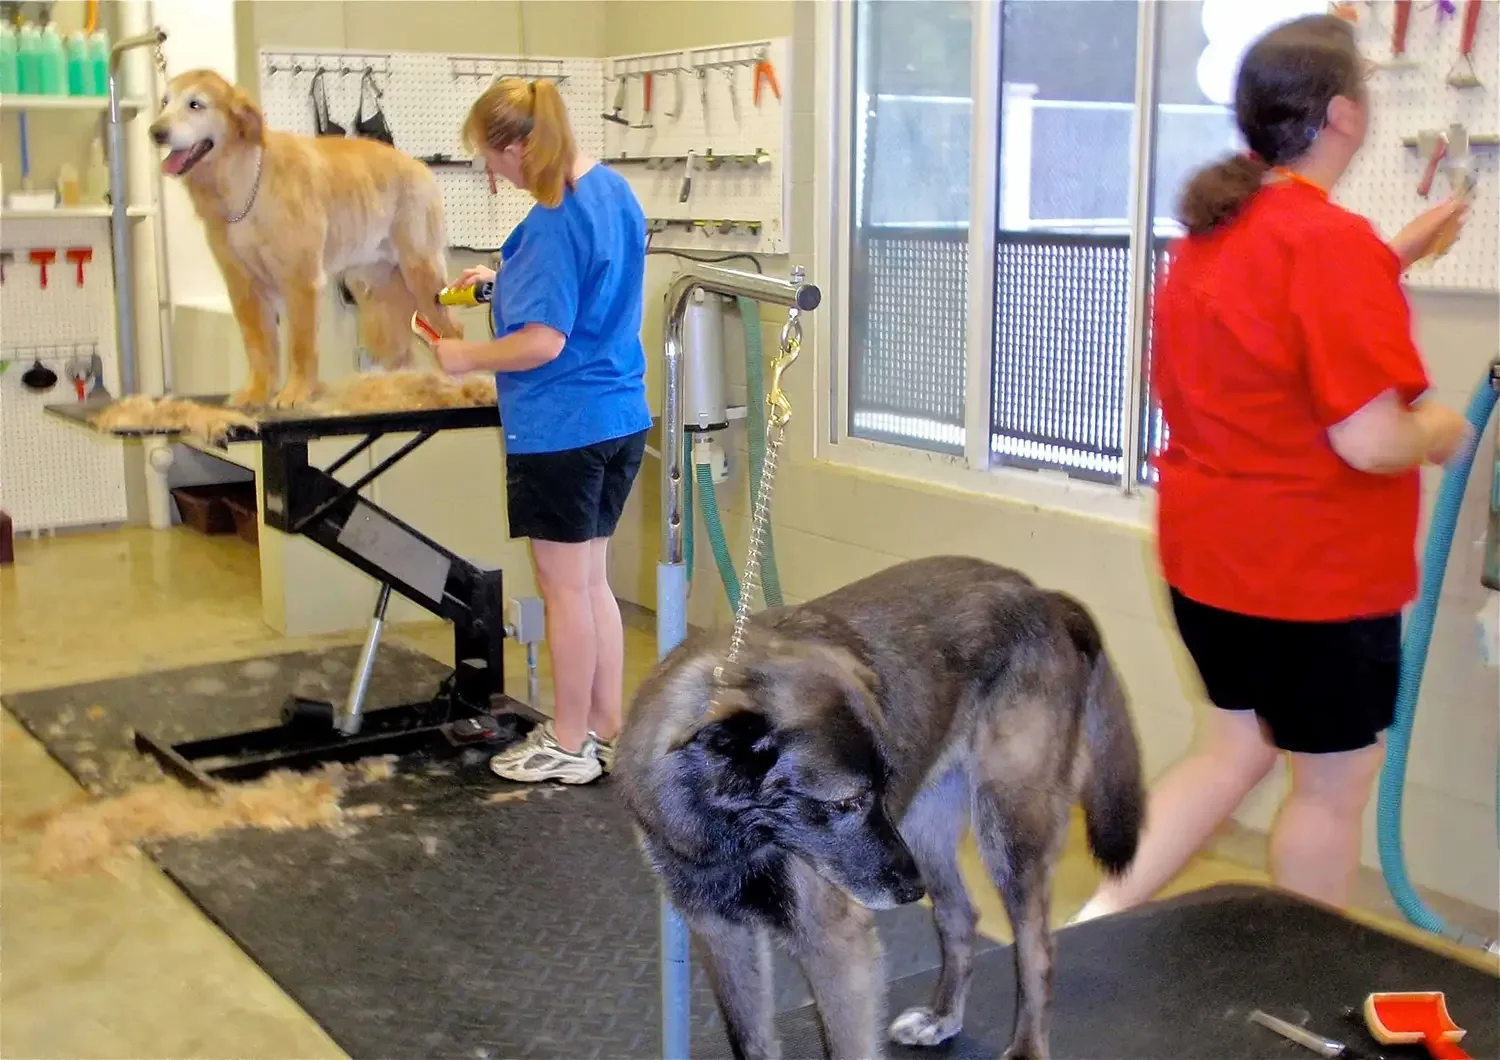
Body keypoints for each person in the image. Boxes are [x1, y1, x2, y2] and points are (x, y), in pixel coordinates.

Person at [1075, 14, 1472, 922]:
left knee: (1232, 752)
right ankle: (1300, 991)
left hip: (1212, 568)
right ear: (1345, 115)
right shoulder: (1325, 244)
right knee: (1333, 786)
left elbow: (1278, 322)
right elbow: (1370, 440)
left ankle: (1086, 930)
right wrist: (1441, 429)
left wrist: (1396, 254)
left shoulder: (1216, 233)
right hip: (1311, 583)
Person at [432, 77, 652, 785]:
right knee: (591, 586)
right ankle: (608, 729)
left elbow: (544, 342)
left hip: (563, 429)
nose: (494, 175)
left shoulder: (553, 217)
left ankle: (565, 742)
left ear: (518, 145)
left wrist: (463, 354)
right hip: (619, 419)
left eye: (492, 161)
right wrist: (502, 284)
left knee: (564, 591)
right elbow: (582, 292)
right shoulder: (612, 191)